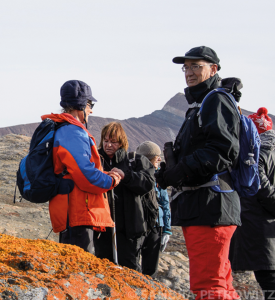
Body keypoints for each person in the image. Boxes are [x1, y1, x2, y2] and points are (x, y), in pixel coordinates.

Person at [156, 46, 241, 300]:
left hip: (210, 207)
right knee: (222, 285)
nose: (189, 72)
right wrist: (168, 172)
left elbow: (224, 150)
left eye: (196, 66)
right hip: (210, 206)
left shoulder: (215, 99)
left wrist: (180, 170)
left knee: (208, 287)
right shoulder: (202, 104)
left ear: (213, 69)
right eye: (186, 67)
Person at [41, 80, 121, 254]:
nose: (91, 110)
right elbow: (85, 175)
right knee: (80, 271)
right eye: (90, 104)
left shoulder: (65, 129)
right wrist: (111, 180)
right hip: (78, 213)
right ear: (82, 105)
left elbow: (76, 169)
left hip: (76, 211)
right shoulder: (72, 132)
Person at [94, 122, 155, 271]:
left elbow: (148, 183)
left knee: (130, 269)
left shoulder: (135, 160)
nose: (108, 145)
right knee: (104, 268)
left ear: (122, 142)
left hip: (129, 231)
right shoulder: (96, 161)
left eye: (113, 142)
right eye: (106, 141)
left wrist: (126, 176)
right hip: (102, 230)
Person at [230, 108, 275, 300]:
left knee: (269, 280)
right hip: (266, 226)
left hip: (259, 226)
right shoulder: (271, 151)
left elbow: (258, 181)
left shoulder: (256, 154)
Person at [136, 141, 172, 278]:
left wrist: (167, 229)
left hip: (156, 225)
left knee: (151, 268)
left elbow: (164, 203)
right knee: (137, 265)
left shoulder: (158, 177)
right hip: (140, 225)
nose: (159, 160)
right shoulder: (137, 176)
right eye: (156, 157)